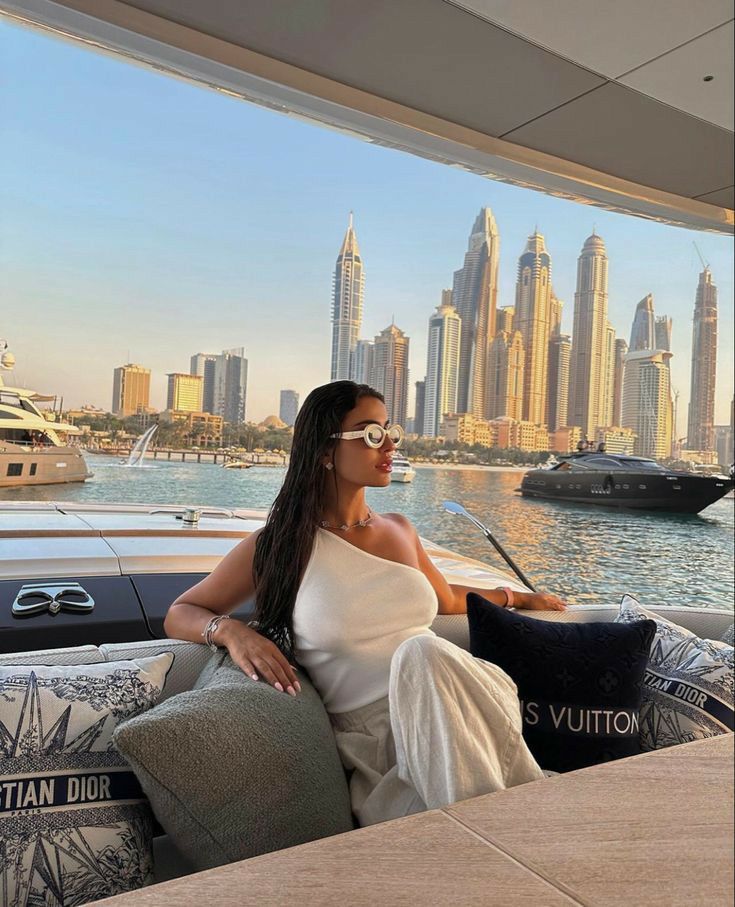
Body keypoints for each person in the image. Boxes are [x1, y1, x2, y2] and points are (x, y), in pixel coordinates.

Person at [164, 381, 566, 826]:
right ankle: (507, 828)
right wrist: (232, 632)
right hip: (379, 749)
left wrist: (517, 597)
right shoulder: (279, 547)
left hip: (454, 703)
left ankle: (491, 834)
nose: (390, 444)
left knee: (424, 651)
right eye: (372, 435)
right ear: (323, 451)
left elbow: (448, 599)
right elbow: (181, 612)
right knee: (423, 653)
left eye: (390, 431)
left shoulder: (399, 529)